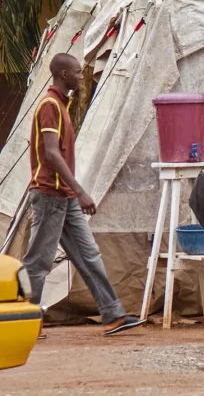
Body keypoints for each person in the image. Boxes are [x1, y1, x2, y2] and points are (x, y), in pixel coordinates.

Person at [21, 53, 145, 336]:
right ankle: (25, 321)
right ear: (63, 74)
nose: (80, 76)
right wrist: (81, 191)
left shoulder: (61, 105)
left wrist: (73, 193)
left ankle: (113, 315)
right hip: (51, 195)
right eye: (77, 72)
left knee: (89, 256)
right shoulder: (50, 106)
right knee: (38, 261)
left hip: (64, 196)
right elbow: (51, 154)